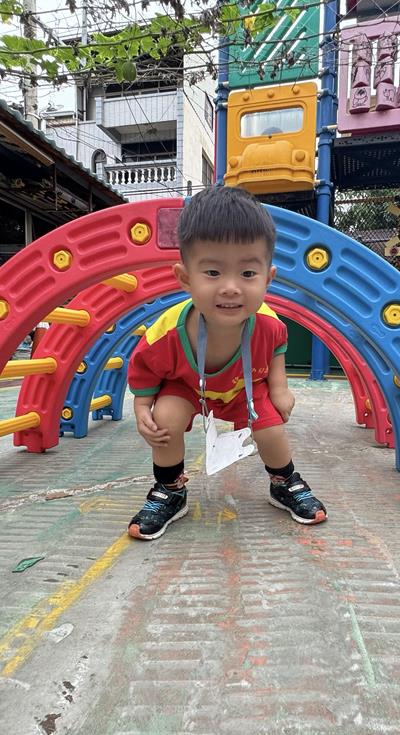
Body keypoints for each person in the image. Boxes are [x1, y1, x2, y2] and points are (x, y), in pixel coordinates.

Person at [125, 185, 328, 540]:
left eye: (248, 274)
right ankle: (170, 489)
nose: (231, 287)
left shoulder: (268, 324)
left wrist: (279, 388)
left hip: (244, 389)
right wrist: (142, 408)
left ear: (268, 278)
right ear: (185, 278)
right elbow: (145, 368)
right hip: (188, 388)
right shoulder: (167, 333)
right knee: (164, 420)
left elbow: (277, 347)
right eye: (213, 273)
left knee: (270, 430)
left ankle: (284, 481)